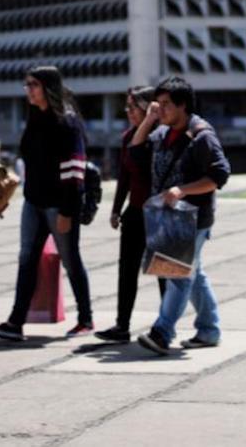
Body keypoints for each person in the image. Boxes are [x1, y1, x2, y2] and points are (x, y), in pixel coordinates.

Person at [0, 66, 94, 341]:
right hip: (33, 201)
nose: (28, 90)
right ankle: (15, 323)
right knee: (26, 259)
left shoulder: (67, 122)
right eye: (27, 85)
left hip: (59, 204)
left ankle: (85, 319)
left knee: (71, 260)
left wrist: (68, 211)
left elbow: (75, 171)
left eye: (33, 84)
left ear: (48, 87)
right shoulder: (34, 116)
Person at [130, 76, 231, 355]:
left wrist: (183, 190)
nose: (159, 109)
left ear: (182, 105)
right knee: (193, 274)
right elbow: (135, 153)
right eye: (157, 103)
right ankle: (209, 330)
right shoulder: (162, 132)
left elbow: (219, 175)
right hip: (169, 218)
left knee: (178, 275)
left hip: (193, 218)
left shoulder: (201, 135)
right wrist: (148, 120)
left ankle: (162, 332)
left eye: (165, 105)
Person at [95, 86, 166, 343]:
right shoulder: (127, 137)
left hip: (157, 213)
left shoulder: (159, 136)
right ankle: (121, 326)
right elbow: (124, 177)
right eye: (126, 107)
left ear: (149, 108)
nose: (128, 112)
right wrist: (115, 209)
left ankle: (164, 327)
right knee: (127, 271)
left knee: (163, 272)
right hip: (134, 212)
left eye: (132, 107)